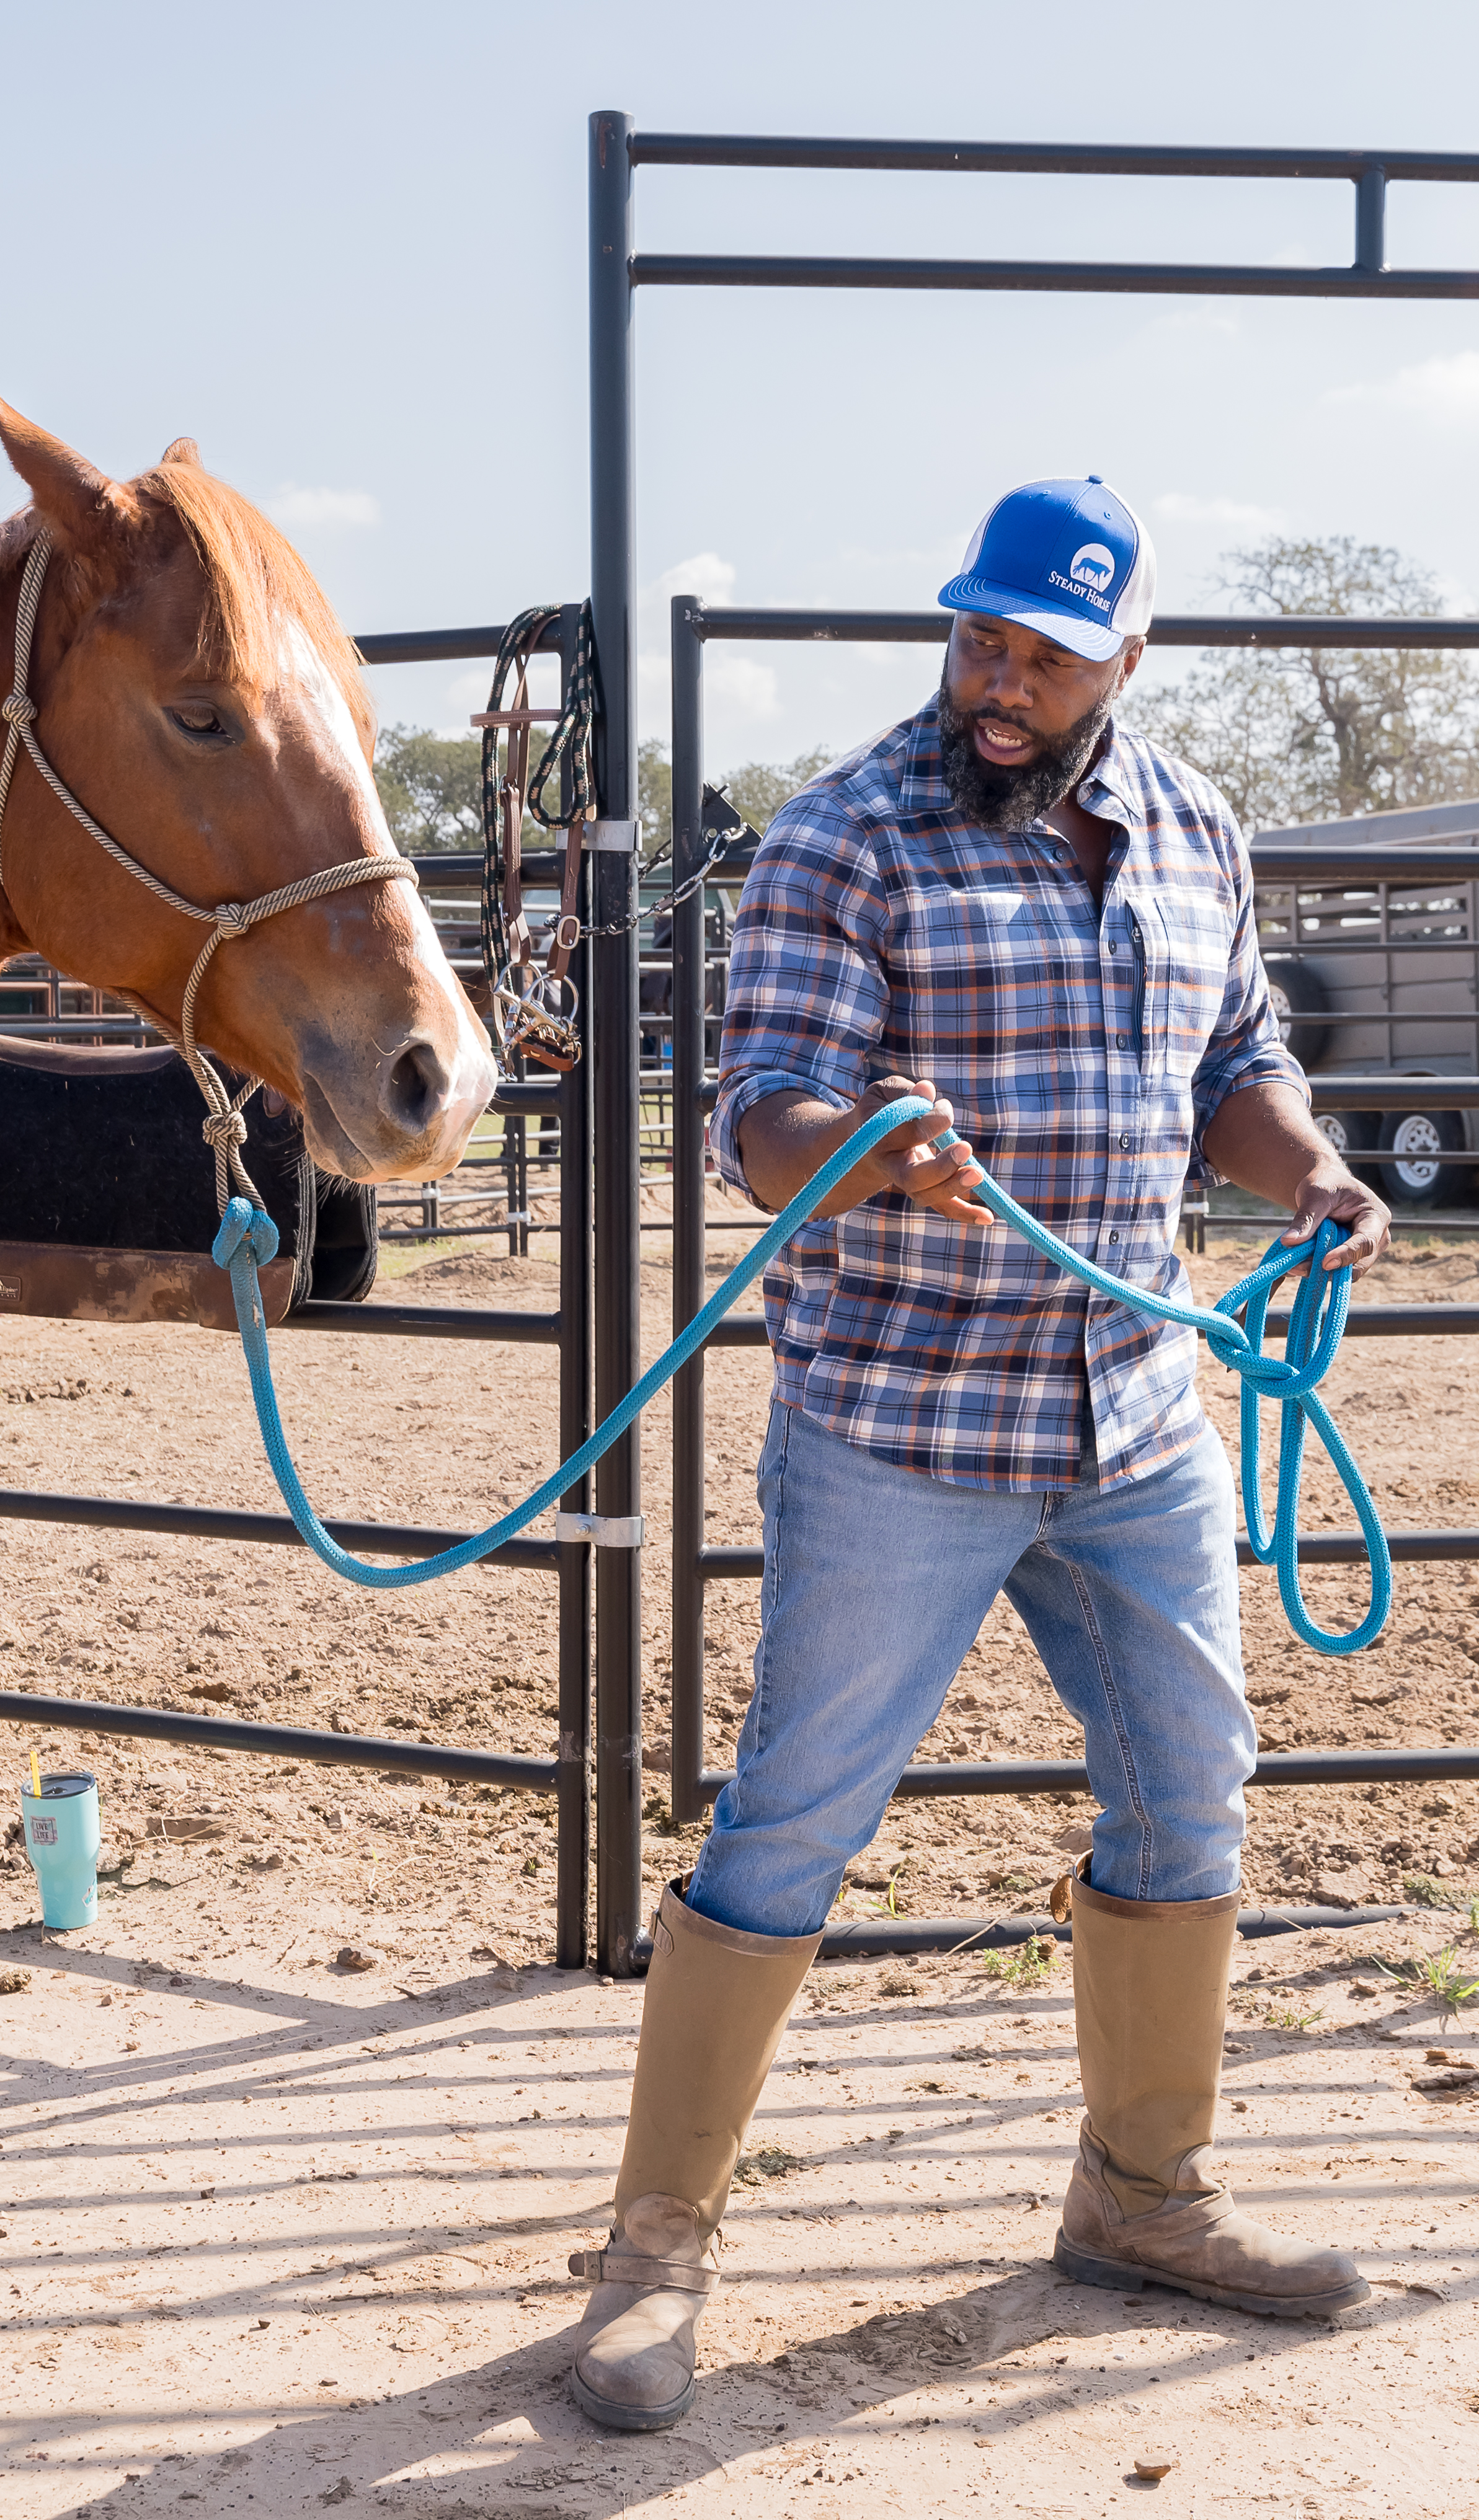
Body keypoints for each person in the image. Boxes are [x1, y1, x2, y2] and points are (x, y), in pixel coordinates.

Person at [562, 476, 1395, 2433]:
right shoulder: (846, 835)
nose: (994, 681)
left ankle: (1141, 2194)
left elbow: (1233, 1068)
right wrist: (857, 1149)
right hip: (900, 1422)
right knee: (791, 1824)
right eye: (974, 639)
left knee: (1190, 1795)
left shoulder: (1194, 829)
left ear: (1125, 653)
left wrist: (1315, 1168)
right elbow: (756, 1104)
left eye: (1037, 649)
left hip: (1132, 1413)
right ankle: (653, 2251)